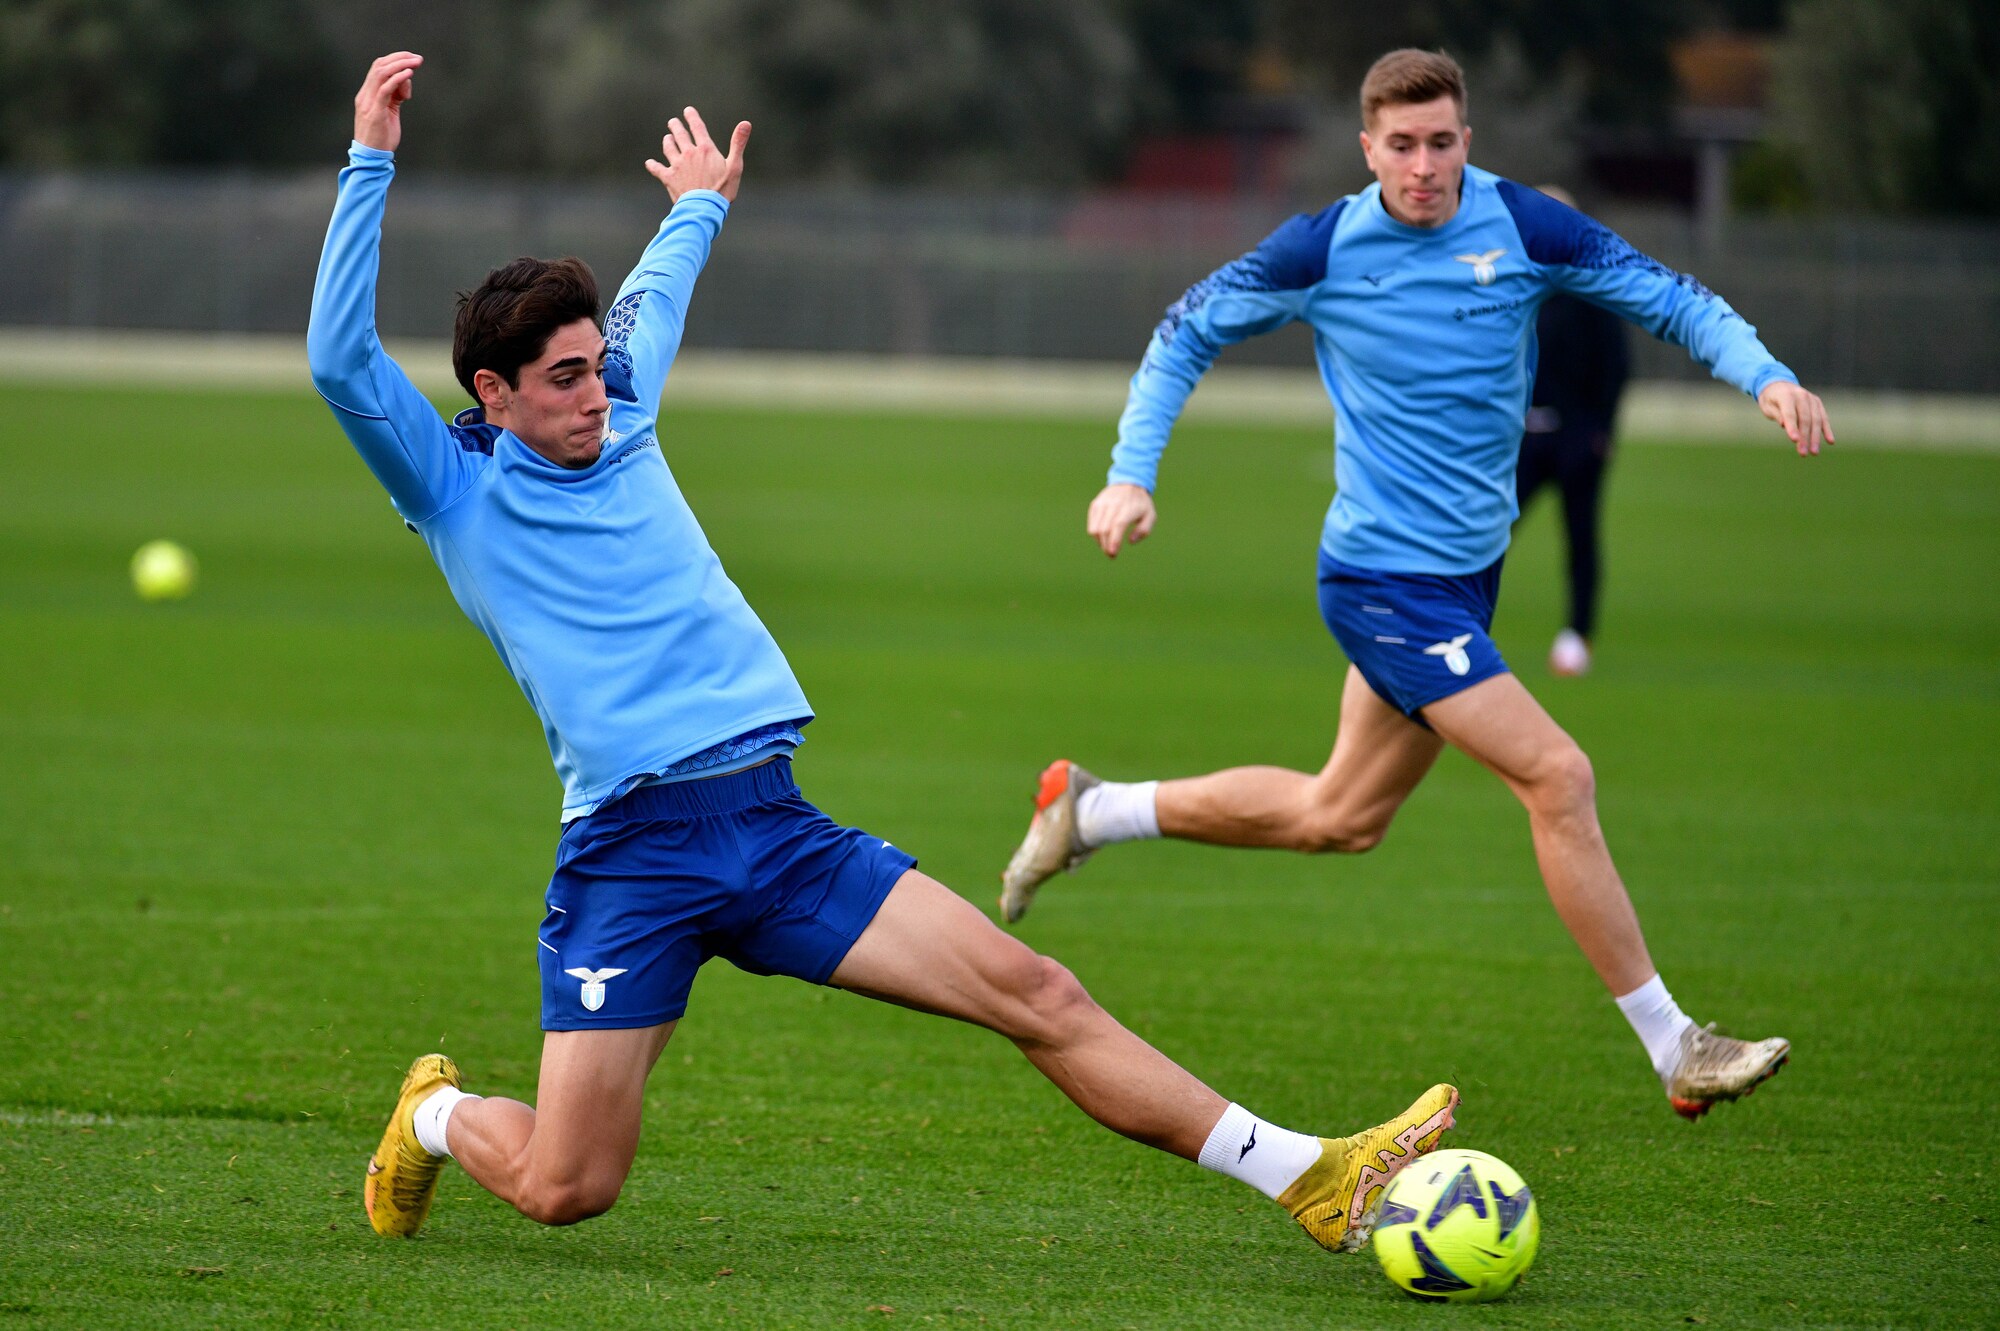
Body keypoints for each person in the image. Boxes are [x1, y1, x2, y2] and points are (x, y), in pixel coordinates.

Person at [310, 52, 1458, 1252]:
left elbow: (659, 288)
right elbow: (340, 362)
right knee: (567, 1183)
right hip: (632, 857)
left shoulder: (624, 396)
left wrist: (698, 204)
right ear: (492, 392)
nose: (596, 394)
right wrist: (370, 157)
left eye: (596, 365)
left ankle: (1308, 1174)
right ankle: (434, 1113)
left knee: (1037, 991)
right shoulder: (450, 487)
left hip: (771, 826)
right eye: (563, 380)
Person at [1001, 49, 1831, 1121]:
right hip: (1381, 583)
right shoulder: (1323, 247)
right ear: (1368, 149)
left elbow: (1667, 297)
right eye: (1402, 145)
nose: (1424, 165)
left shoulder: (1523, 225)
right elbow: (1182, 332)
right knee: (1558, 775)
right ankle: (1676, 1044)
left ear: (1466, 141)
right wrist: (1130, 473)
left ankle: (1093, 809)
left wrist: (1762, 371)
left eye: (1442, 142)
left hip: (1465, 579)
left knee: (1337, 815)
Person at [1515, 185, 1630, 677]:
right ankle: (1458, 622)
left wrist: (1599, 432)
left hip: (1574, 439)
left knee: (1580, 537)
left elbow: (1616, 364)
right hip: (1521, 437)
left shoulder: (1591, 287)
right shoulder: (1512, 283)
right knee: (1486, 531)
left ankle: (1577, 636)